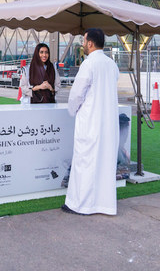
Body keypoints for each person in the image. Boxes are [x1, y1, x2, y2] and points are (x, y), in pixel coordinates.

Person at [62, 28, 119, 216]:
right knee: (105, 164)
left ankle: (80, 205)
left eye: (84, 41)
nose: (82, 44)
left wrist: (72, 111)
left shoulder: (89, 64)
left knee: (84, 163)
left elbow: (76, 94)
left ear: (90, 43)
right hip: (108, 124)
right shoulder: (112, 65)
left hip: (90, 122)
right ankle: (104, 205)